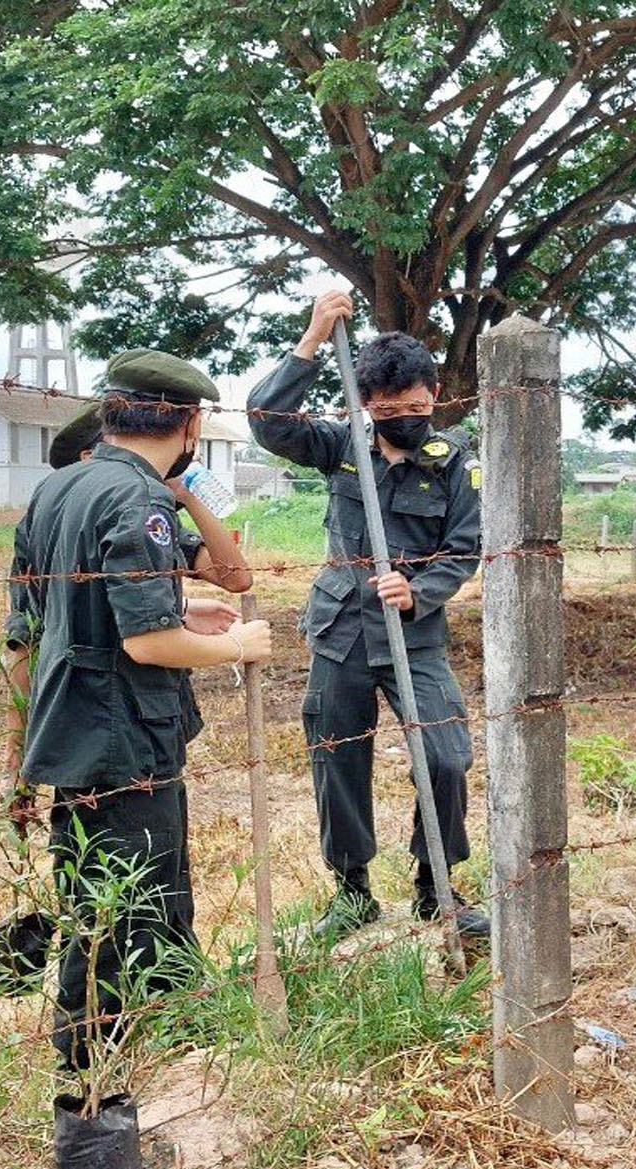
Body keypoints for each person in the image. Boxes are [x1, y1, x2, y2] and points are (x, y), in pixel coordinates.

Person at [2, 350, 271, 1070]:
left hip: (78, 723)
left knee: (131, 887)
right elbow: (149, 640)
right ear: (188, 423)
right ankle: (89, 1064)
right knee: (121, 902)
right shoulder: (134, 499)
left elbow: (41, 627)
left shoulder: (62, 490)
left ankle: (165, 1025)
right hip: (118, 730)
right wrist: (238, 643)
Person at [246, 293, 487, 942]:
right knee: (337, 760)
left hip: (416, 639)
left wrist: (420, 588)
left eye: (415, 407)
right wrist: (314, 334)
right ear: (366, 405)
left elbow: (465, 550)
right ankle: (351, 890)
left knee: (445, 757)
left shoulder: (456, 465)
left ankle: (436, 886)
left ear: (434, 397)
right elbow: (267, 421)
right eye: (387, 410)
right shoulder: (339, 446)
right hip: (341, 634)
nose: (402, 419)